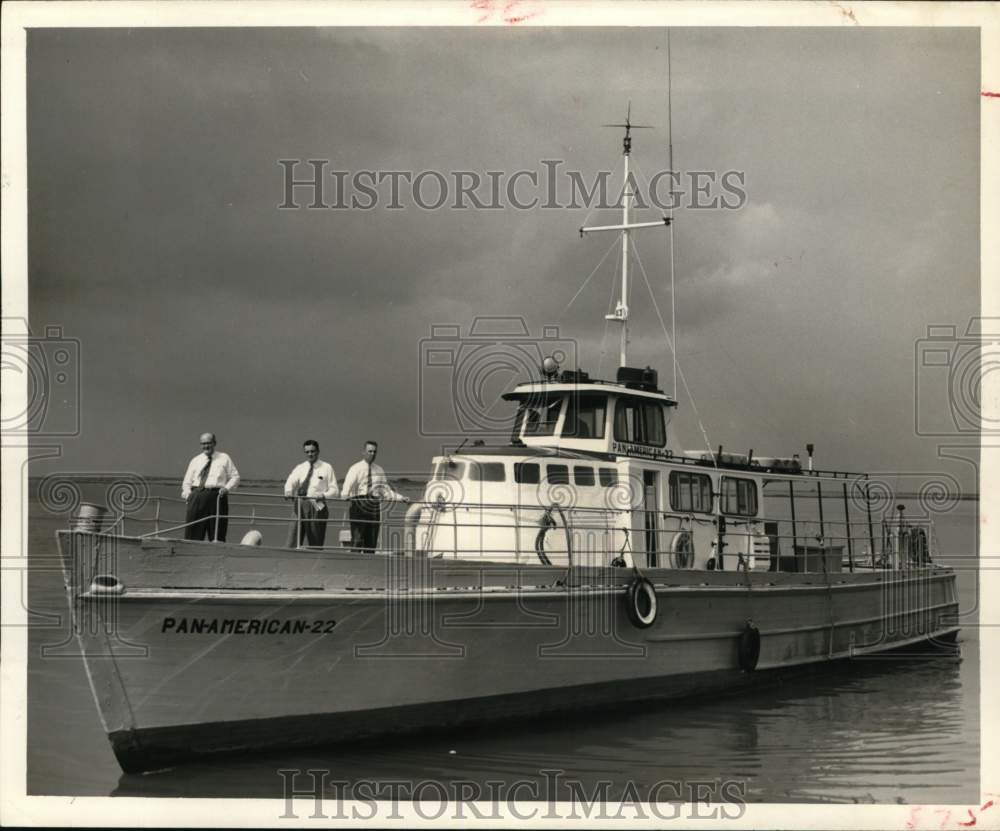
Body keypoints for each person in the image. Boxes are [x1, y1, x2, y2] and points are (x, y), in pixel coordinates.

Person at [341, 440, 409, 553]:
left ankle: (369, 565)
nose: (372, 454)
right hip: (359, 503)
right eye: (370, 451)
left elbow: (385, 490)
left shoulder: (379, 470)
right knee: (357, 538)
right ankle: (354, 565)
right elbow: (348, 484)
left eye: (374, 452)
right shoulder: (355, 468)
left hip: (374, 505)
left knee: (371, 539)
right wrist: (344, 494)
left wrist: (401, 497)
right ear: (363, 452)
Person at [181, 432, 240, 542]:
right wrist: (189, 495)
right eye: (203, 443)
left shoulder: (224, 458)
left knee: (218, 534)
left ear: (214, 443)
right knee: (193, 534)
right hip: (196, 497)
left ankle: (218, 557)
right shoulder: (195, 460)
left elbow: (235, 477)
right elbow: (186, 483)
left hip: (217, 497)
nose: (206, 446)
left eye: (208, 443)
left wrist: (227, 488)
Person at [284, 439, 339, 548]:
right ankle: (290, 559)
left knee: (316, 540)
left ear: (318, 451)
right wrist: (288, 491)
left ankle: (314, 558)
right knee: (292, 538)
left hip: (317, 505)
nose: (310, 454)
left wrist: (324, 495)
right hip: (299, 504)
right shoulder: (300, 467)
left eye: (312, 451)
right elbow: (291, 480)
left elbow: (335, 490)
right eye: (307, 452)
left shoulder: (327, 467)